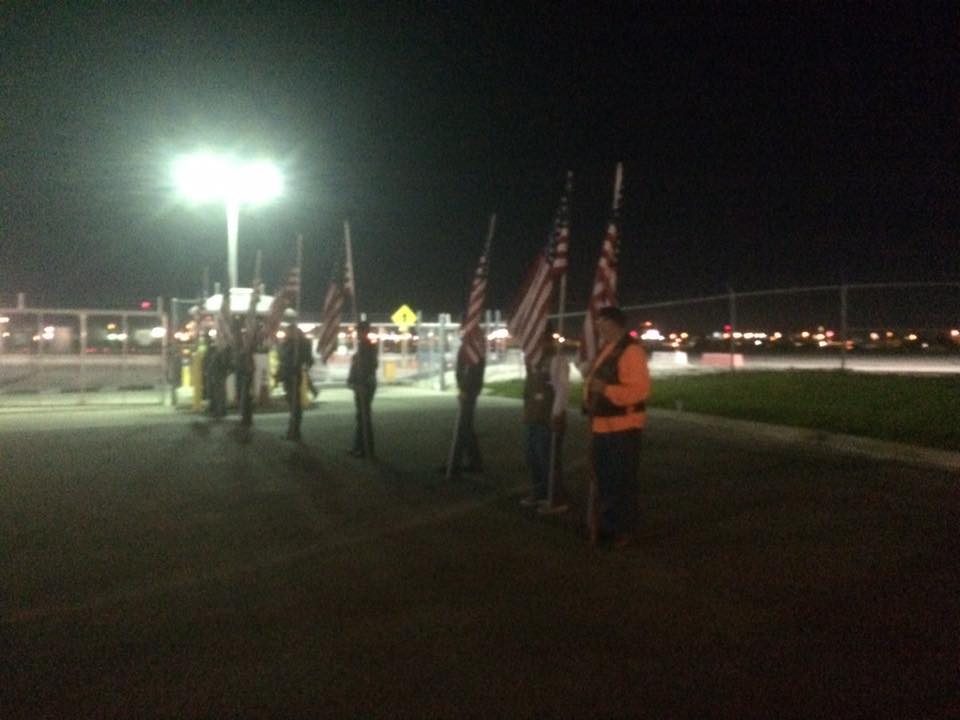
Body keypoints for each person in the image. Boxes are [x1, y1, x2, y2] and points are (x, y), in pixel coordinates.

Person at [583, 306, 651, 548]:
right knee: (605, 480)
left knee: (621, 481)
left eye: (603, 325)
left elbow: (640, 391)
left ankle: (624, 530)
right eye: (598, 325)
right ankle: (609, 525)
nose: (599, 329)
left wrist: (605, 389)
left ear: (616, 325)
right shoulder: (608, 349)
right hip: (603, 426)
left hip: (623, 428)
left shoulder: (631, 351)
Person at [520, 326, 570, 512]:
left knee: (548, 459)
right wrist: (527, 411)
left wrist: (557, 414)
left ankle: (556, 498)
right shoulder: (532, 360)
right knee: (533, 457)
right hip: (534, 416)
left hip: (548, 418)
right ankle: (539, 492)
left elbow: (562, 389)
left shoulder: (556, 360)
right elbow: (529, 389)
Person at [446, 344, 485, 478]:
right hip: (467, 388)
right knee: (466, 426)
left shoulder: (473, 345)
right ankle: (475, 461)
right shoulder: (469, 344)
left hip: (469, 390)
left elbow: (473, 369)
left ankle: (455, 465)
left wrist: (465, 389)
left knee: (463, 426)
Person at [276, 313, 313, 441]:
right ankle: (292, 430)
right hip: (287, 376)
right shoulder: (286, 344)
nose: (287, 333)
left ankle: (294, 431)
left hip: (295, 376)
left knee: (295, 405)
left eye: (289, 331)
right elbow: (282, 360)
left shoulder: (302, 344)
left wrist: (301, 367)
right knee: (292, 405)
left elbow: (309, 361)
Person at [347, 320, 378, 458]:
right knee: (361, 417)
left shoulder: (368, 347)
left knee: (364, 417)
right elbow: (356, 366)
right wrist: (351, 380)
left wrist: (362, 381)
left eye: (359, 330)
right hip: (360, 384)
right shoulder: (362, 346)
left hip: (365, 385)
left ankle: (366, 448)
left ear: (364, 331)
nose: (357, 333)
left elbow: (370, 366)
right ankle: (359, 446)